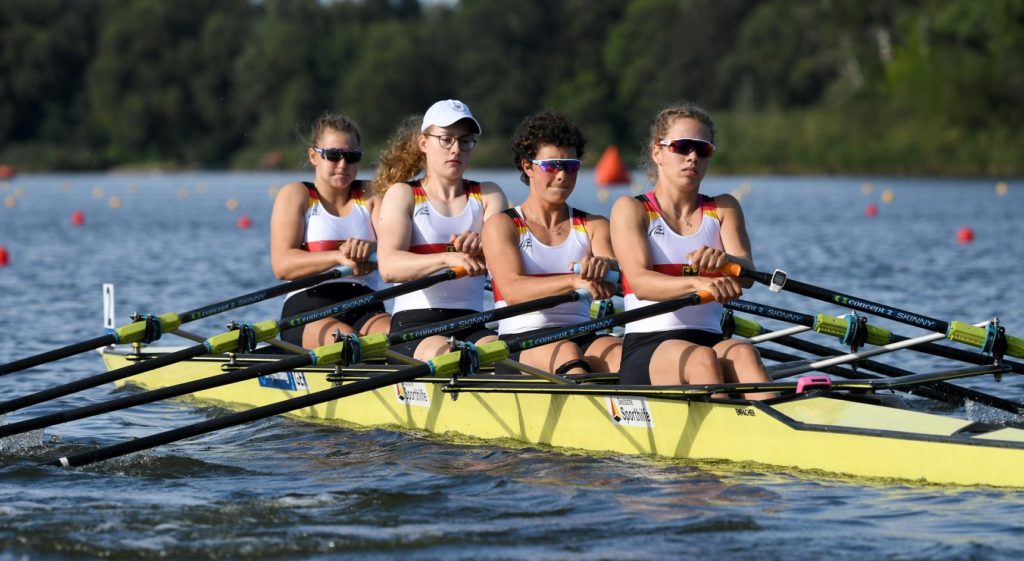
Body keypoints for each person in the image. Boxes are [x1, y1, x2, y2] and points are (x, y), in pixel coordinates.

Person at [609, 101, 772, 398]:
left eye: (702, 149)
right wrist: (699, 283)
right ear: (657, 152)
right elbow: (641, 284)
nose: (692, 157)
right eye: (682, 147)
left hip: (710, 339)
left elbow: (747, 275)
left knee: (745, 353)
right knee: (702, 359)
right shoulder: (631, 209)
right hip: (649, 347)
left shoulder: (724, 208)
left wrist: (726, 261)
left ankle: (781, 424)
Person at [482, 111, 620, 375]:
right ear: (528, 167)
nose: (562, 175)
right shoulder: (502, 225)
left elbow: (614, 275)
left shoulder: (595, 225)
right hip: (521, 340)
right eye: (552, 166)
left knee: (622, 355)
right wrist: (574, 281)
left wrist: (604, 266)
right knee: (568, 353)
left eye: (571, 166)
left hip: (583, 333)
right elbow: (512, 290)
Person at [372, 99, 507, 361]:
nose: (456, 149)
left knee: (508, 357)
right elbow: (389, 267)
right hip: (414, 327)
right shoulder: (403, 194)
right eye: (446, 139)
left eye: (465, 141)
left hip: (472, 324)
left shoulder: (489, 194)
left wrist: (484, 246)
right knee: (456, 357)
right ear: (423, 142)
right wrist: (447, 258)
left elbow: (504, 258)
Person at [270, 112, 390, 348]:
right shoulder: (296, 195)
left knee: (393, 335)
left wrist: (374, 248)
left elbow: (396, 249)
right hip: (309, 308)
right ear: (313, 156)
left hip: (366, 306)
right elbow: (282, 265)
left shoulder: (372, 195)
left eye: (352, 157)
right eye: (333, 156)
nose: (343, 165)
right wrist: (338, 257)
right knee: (346, 339)